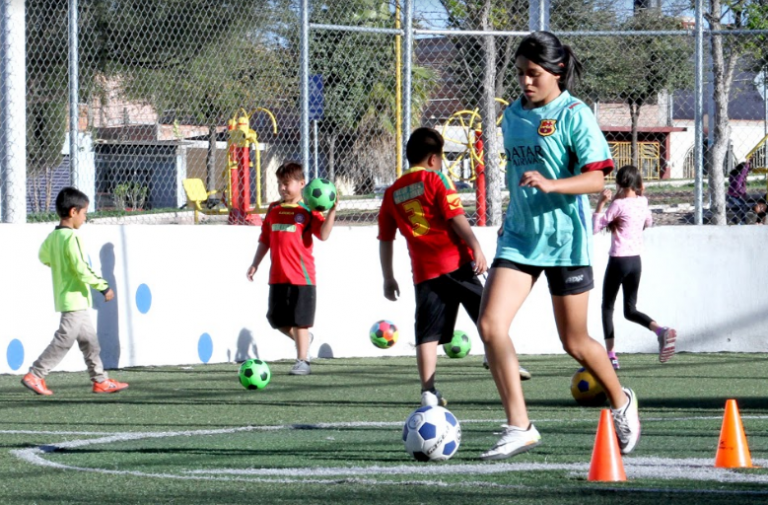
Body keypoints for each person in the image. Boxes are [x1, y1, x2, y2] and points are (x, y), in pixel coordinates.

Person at [476, 31, 640, 460]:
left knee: (574, 341)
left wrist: (551, 184)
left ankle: (621, 401)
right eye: (520, 74)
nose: (525, 82)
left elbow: (595, 180)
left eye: (533, 74)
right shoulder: (511, 115)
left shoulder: (574, 114)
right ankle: (519, 425)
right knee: (491, 325)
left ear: (557, 71)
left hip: (564, 240)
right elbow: (516, 174)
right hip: (518, 238)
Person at [378, 127, 489, 407]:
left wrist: (388, 277)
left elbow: (385, 239)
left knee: (426, 334)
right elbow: (455, 217)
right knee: (487, 313)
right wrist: (476, 246)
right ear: (432, 159)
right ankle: (496, 356)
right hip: (457, 263)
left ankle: (428, 391)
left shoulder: (392, 193)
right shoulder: (436, 179)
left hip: (425, 273)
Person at [21, 187, 129, 396]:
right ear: (73, 212)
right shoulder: (73, 237)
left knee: (90, 342)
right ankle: (36, 374)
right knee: (64, 340)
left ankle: (100, 380)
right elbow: (82, 268)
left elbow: (43, 257)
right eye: (84, 213)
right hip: (75, 299)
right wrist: (103, 286)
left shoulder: (54, 237)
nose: (85, 218)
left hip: (67, 297)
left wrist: (60, 266)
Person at [247, 162, 336, 376]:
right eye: (280, 184)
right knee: (275, 319)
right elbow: (265, 239)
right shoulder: (274, 209)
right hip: (277, 277)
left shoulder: (308, 211)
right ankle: (303, 341)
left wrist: (332, 211)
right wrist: (255, 263)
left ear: (302, 184)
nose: (282, 188)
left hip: (301, 277)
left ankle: (303, 360)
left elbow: (323, 235)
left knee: (300, 321)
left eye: (287, 183)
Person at [593, 165, 677, 370]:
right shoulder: (642, 202)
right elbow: (648, 221)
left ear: (620, 182)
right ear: (638, 183)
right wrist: (642, 196)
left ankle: (611, 355)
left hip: (618, 261)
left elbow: (596, 228)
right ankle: (660, 331)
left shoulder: (618, 205)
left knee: (607, 307)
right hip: (635, 262)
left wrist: (601, 203)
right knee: (630, 310)